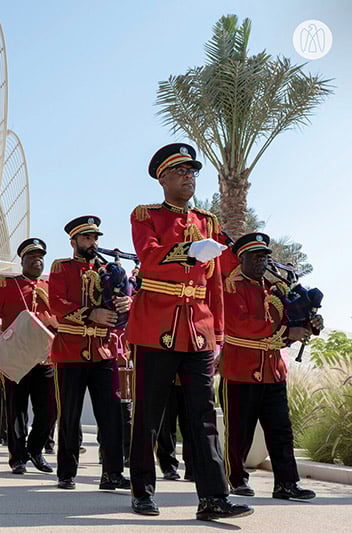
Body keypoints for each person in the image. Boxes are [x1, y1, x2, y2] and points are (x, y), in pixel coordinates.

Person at [127, 143, 252, 521]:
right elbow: (149, 259)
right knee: (148, 417)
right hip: (156, 328)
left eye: (192, 171)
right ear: (163, 179)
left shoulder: (209, 221)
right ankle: (143, 491)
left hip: (197, 329)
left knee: (204, 417)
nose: (188, 177)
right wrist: (190, 250)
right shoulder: (145, 215)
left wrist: (218, 334)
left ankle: (214, 497)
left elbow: (214, 285)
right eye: (180, 171)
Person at [219, 232, 321, 500]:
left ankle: (287, 483)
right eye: (255, 257)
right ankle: (237, 479)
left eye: (264, 257)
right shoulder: (230, 286)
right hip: (241, 370)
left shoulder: (276, 289)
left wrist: (310, 323)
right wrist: (289, 331)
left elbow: (291, 318)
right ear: (241, 258)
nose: (261, 262)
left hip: (273, 370)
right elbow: (240, 325)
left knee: (281, 431)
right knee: (240, 432)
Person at [48, 218, 130, 491]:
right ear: (73, 242)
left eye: (94, 238)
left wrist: (125, 301)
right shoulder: (61, 267)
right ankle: (67, 472)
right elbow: (57, 305)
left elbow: (123, 303)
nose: (92, 243)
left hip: (103, 351)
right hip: (70, 351)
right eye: (86, 239)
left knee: (111, 415)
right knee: (69, 416)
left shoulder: (110, 270)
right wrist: (90, 314)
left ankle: (112, 473)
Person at [0, 238, 57, 475]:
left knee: (50, 409)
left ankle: (35, 449)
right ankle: (18, 458)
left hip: (45, 356)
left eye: (40, 257)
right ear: (22, 260)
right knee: (16, 409)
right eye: (32, 257)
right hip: (16, 356)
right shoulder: (7, 284)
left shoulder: (50, 287)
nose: (37, 260)